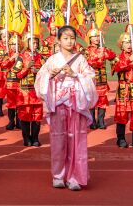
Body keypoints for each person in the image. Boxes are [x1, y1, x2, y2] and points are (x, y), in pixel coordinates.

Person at [35, 26, 97, 191]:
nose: (69, 41)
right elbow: (40, 80)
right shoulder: (52, 60)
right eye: (66, 38)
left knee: (76, 140)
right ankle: (58, 175)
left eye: (72, 38)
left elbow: (91, 78)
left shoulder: (80, 60)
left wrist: (75, 75)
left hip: (75, 105)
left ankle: (74, 176)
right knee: (58, 141)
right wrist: (50, 75)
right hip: (58, 104)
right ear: (59, 40)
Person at [84, 27, 116, 129]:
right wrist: (99, 57)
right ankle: (92, 121)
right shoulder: (87, 51)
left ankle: (101, 121)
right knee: (92, 101)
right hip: (91, 81)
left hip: (102, 81)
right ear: (90, 38)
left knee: (102, 101)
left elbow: (113, 56)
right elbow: (89, 63)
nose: (97, 38)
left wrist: (104, 52)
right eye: (94, 36)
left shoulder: (103, 49)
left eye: (98, 36)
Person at [16, 34, 44, 147]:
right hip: (25, 92)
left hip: (37, 91)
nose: (35, 44)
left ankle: (35, 138)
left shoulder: (41, 57)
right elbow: (17, 74)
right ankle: (26, 138)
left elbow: (46, 72)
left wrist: (38, 70)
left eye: (36, 42)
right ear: (26, 43)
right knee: (25, 115)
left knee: (37, 116)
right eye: (32, 42)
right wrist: (26, 67)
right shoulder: (21, 57)